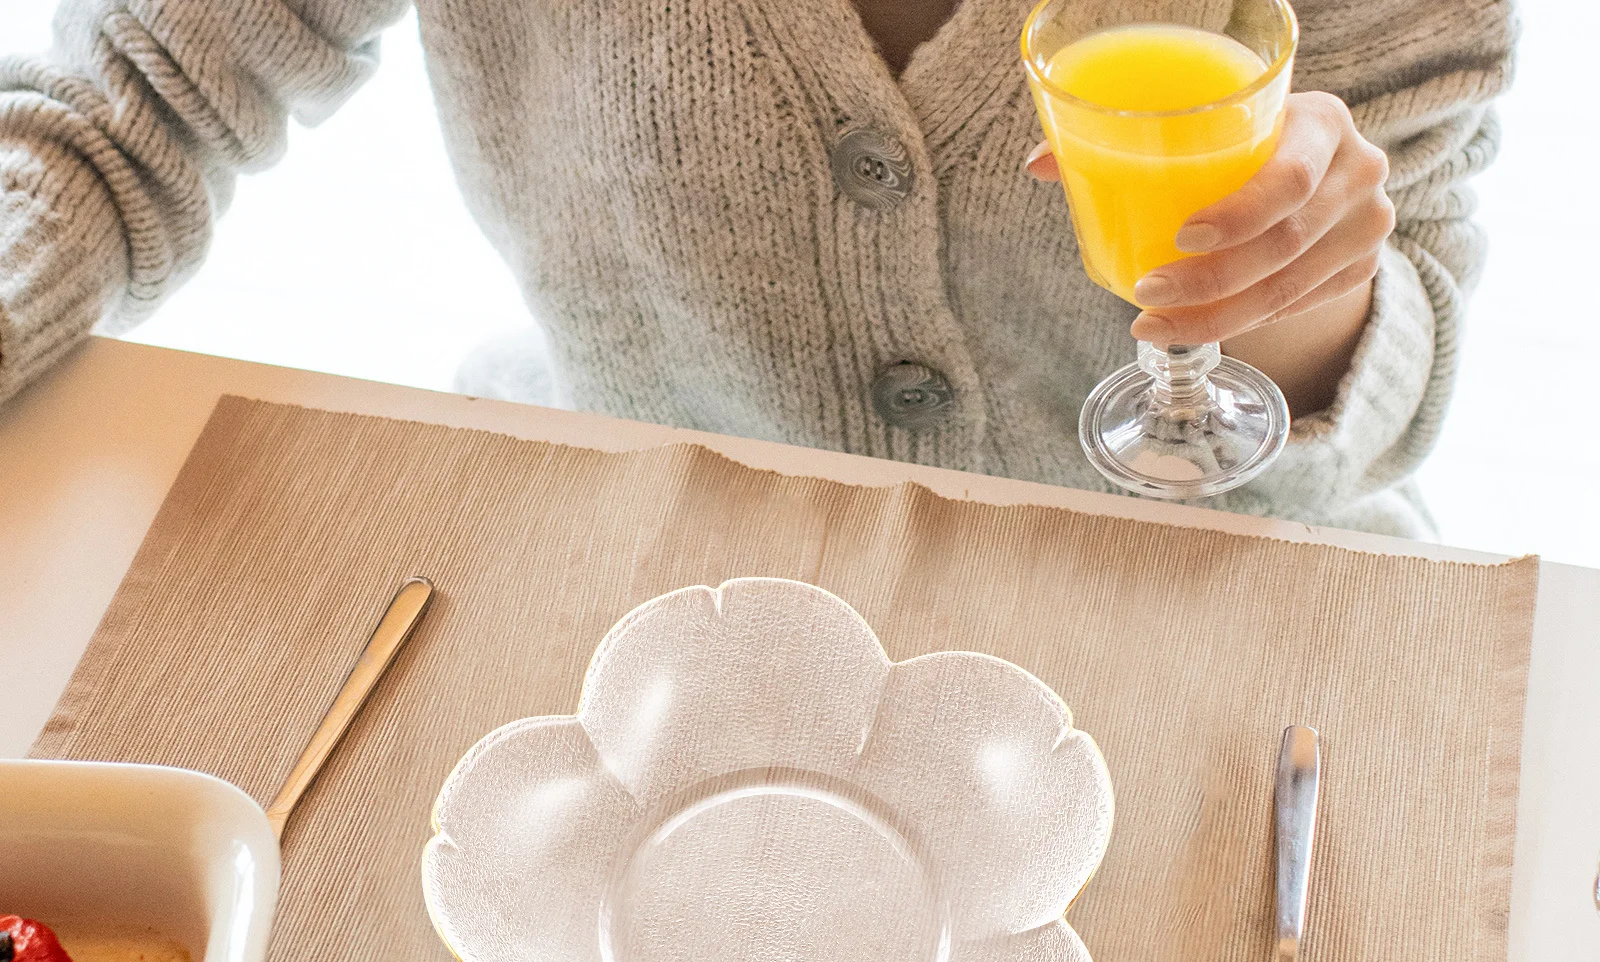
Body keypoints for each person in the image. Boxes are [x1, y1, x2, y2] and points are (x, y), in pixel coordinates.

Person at [0, 0, 1512, 535]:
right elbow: (128, 109)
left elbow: (1391, 386)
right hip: (644, 566)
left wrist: (1299, 287)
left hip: (1221, 610)